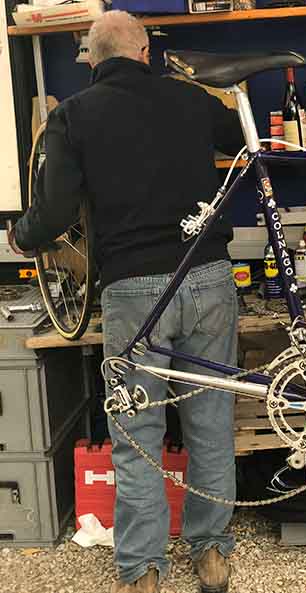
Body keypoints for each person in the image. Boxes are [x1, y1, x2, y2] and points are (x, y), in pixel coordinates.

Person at [11, 11, 244, 593]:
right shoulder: (190, 100)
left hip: (135, 295)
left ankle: (141, 571)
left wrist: (22, 235)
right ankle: (212, 552)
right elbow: (243, 142)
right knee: (211, 424)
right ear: (145, 52)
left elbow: (55, 215)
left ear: (91, 58)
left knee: (136, 434)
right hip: (209, 276)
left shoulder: (73, 116)